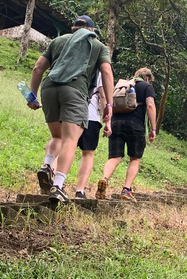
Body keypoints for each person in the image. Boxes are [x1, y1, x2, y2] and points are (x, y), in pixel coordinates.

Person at [28, 15, 114, 205]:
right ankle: (58, 186)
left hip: (49, 88)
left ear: (73, 28)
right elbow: (107, 72)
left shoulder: (58, 41)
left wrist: (32, 96)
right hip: (75, 91)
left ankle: (48, 164)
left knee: (57, 136)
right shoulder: (98, 45)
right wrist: (109, 105)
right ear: (91, 31)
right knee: (70, 139)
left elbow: (37, 68)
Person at [96, 67, 157, 202]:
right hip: (135, 126)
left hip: (116, 123)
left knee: (115, 157)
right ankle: (126, 189)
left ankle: (104, 179)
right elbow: (150, 105)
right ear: (147, 78)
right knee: (134, 159)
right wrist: (153, 128)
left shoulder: (123, 85)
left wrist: (109, 123)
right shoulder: (146, 87)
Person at [71, 73, 111, 199]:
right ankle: (80, 190)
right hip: (91, 116)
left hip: (70, 112)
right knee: (88, 153)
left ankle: (56, 182)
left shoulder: (73, 62)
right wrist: (108, 120)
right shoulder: (98, 69)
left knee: (66, 146)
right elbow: (103, 95)